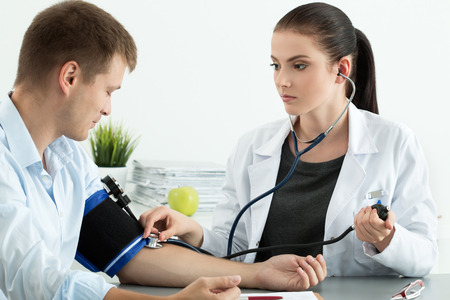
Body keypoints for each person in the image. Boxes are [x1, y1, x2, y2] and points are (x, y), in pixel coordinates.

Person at [0, 1, 327, 299]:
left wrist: (258, 274)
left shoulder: (66, 158)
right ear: (70, 76)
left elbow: (127, 252)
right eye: (108, 91)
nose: (108, 109)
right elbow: (39, 284)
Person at [140, 2, 438, 278]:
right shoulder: (252, 147)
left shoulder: (394, 142)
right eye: (276, 65)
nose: (282, 80)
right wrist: (192, 229)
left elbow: (425, 257)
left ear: (341, 69)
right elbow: (236, 247)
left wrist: (385, 238)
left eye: (299, 65)